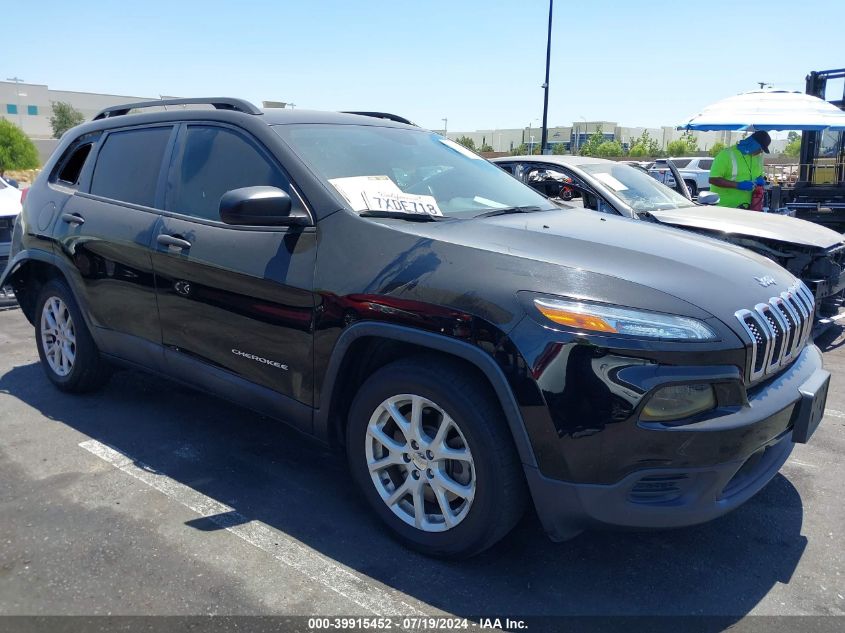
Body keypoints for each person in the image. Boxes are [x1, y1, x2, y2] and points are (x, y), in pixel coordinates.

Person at [708, 130, 770, 209]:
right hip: (724, 207)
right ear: (753, 144)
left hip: (747, 208)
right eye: (760, 148)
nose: (760, 152)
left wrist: (760, 179)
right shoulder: (726, 154)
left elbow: (759, 174)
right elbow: (713, 179)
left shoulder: (757, 158)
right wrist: (738, 185)